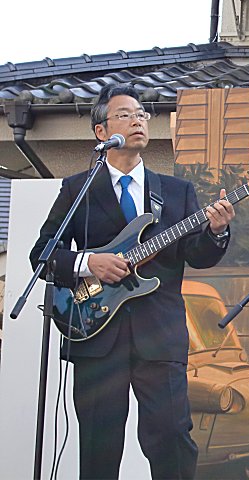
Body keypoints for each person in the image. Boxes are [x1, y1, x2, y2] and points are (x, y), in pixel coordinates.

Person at [30, 83, 235, 479]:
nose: (138, 120)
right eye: (125, 114)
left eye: (142, 114)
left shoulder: (175, 192)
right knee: (99, 446)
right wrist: (89, 263)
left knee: (172, 439)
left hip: (160, 335)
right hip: (94, 331)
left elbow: (198, 256)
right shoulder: (78, 189)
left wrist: (216, 231)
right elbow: (42, 255)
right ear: (102, 132)